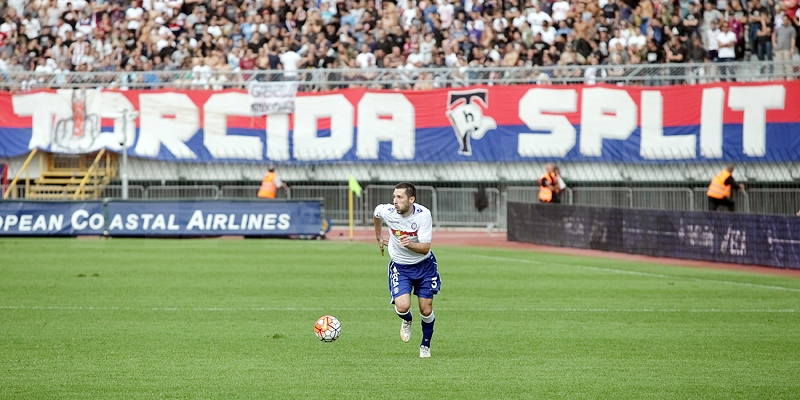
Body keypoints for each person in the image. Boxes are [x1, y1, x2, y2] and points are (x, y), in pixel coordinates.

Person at [373, 182, 439, 358]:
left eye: (399, 197)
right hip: (400, 266)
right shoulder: (388, 212)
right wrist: (379, 237)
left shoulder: (423, 215)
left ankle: (425, 345)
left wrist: (409, 244)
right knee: (402, 307)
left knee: (426, 310)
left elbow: (425, 248)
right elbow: (376, 213)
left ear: (411, 199)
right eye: (394, 196)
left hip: (424, 265)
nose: (395, 201)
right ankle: (407, 320)